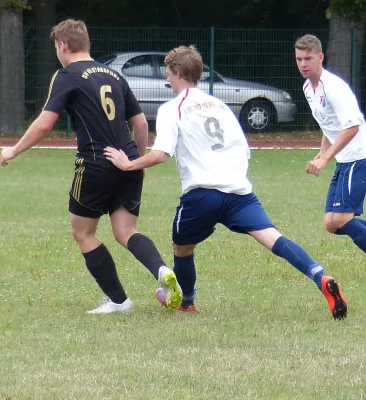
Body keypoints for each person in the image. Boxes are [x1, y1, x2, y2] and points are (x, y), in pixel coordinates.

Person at [104, 45, 347, 320]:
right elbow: (243, 148)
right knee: (273, 238)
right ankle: (319, 276)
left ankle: (187, 301)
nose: (167, 80)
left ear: (178, 72)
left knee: (181, 247)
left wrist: (128, 164)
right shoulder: (220, 105)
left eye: (168, 74)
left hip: (202, 195)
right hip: (239, 192)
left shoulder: (173, 108)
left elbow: (161, 153)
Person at [0, 19, 182, 314]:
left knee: (83, 232)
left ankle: (119, 301)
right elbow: (139, 123)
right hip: (127, 161)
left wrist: (14, 149)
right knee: (126, 231)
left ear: (63, 45)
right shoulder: (115, 75)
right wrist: (137, 160)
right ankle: (161, 270)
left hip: (96, 164)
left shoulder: (67, 75)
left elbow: (45, 123)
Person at [294, 34, 366, 283]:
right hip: (345, 159)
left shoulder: (333, 87)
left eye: (308, 58)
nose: (303, 64)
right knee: (332, 223)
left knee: (342, 219)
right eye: (299, 59)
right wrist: (322, 149)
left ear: (320, 57)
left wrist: (326, 158)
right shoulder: (308, 88)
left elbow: (351, 127)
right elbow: (329, 123)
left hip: (359, 158)